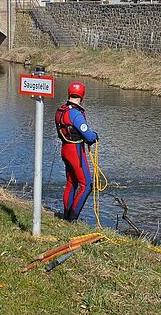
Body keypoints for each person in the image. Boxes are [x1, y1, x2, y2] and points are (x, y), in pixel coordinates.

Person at [54, 81, 99, 221]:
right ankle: (72, 219)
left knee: (71, 183)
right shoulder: (75, 114)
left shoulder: (60, 110)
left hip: (65, 149)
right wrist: (95, 136)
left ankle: (66, 215)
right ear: (82, 95)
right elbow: (89, 136)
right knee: (87, 185)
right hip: (75, 152)